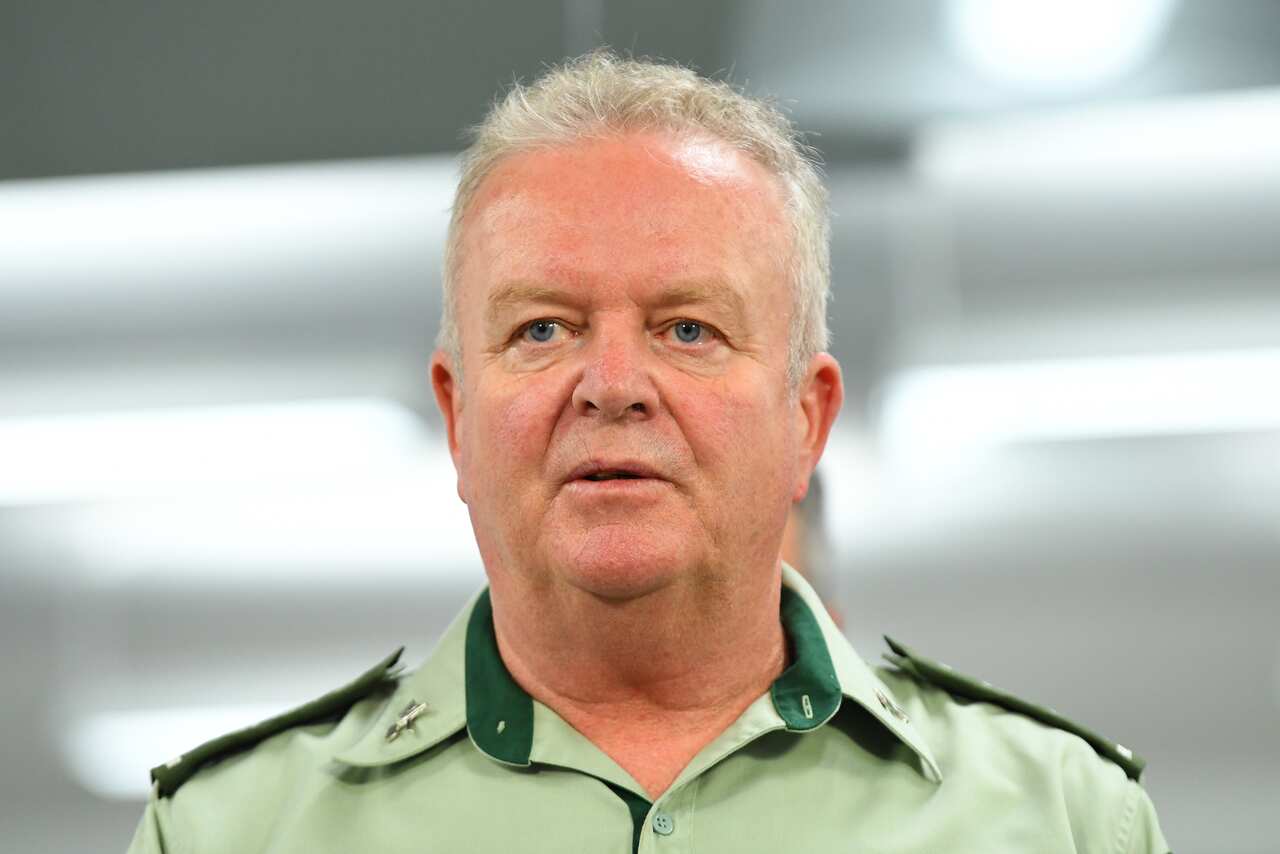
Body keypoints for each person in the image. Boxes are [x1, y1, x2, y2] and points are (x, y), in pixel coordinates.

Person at [128, 52, 1169, 853]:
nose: (612, 382)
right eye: (541, 328)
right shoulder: (230, 832)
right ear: (455, 417)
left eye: (686, 329)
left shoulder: (1064, 818)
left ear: (804, 420)